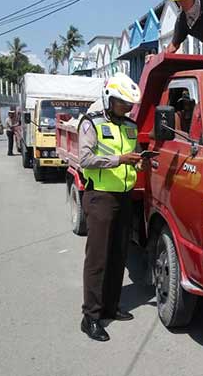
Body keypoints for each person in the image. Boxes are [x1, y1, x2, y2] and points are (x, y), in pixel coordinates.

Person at [78, 73, 142, 342]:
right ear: (109, 99)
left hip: (125, 197)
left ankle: (111, 307)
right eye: (122, 103)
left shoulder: (130, 125)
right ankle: (90, 317)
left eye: (129, 105)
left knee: (118, 255)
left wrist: (138, 161)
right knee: (98, 259)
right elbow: (85, 158)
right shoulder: (91, 123)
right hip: (100, 197)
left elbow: (134, 153)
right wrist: (119, 159)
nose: (127, 108)